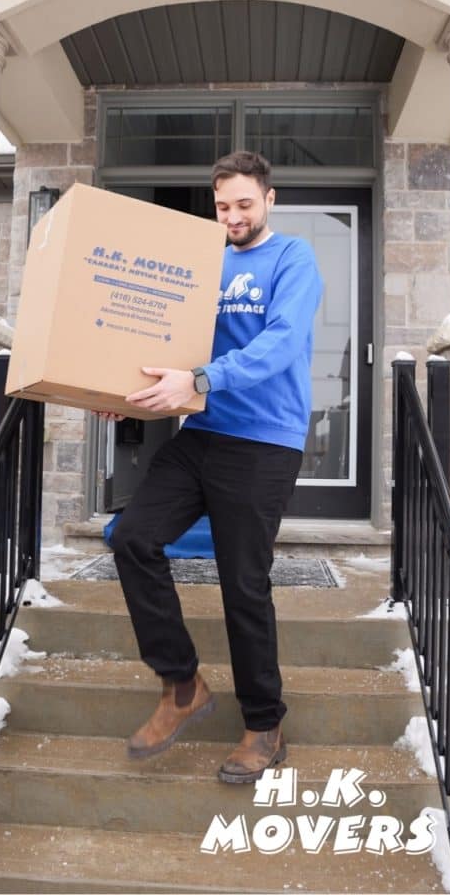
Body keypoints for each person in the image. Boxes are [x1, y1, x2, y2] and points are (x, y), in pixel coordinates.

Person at [98, 151, 323, 784]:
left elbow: (281, 343)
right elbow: (165, 338)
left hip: (265, 442)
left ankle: (265, 723)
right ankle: (182, 684)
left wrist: (199, 379)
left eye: (244, 204)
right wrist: (123, 392)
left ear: (269, 199)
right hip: (202, 434)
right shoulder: (206, 262)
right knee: (133, 536)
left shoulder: (293, 259)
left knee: (243, 583)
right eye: (223, 207)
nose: (233, 217)